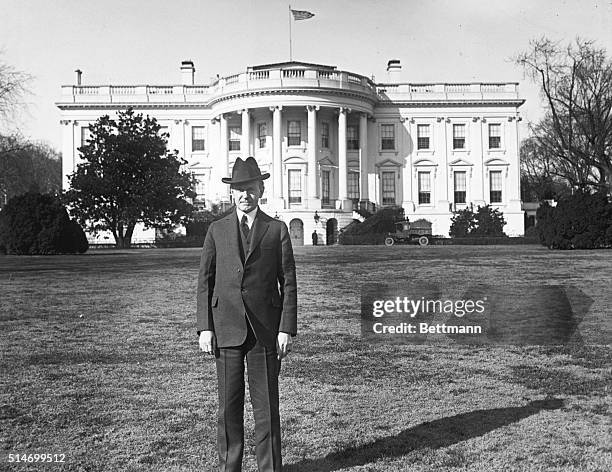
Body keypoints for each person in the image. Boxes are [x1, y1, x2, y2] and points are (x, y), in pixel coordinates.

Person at [196, 156, 297, 472]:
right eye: (239, 189)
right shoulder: (216, 229)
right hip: (225, 329)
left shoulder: (276, 229)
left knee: (267, 407)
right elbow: (204, 280)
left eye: (250, 188)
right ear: (231, 193)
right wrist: (205, 328)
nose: (244, 195)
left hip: (265, 332)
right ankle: (231, 467)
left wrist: (286, 329)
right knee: (228, 407)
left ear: (260, 189)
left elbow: (289, 282)